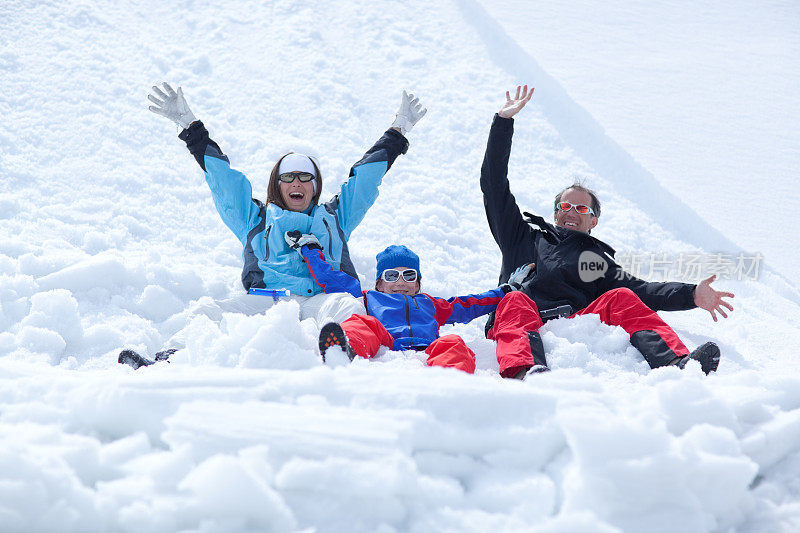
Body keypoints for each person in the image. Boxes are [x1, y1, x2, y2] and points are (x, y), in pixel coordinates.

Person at [120, 85, 427, 369]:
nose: (297, 183)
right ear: (277, 185)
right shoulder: (256, 219)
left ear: (315, 185)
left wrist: (398, 131)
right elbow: (224, 181)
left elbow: (365, 178)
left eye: (306, 177)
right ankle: (165, 362)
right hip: (269, 298)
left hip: (321, 297)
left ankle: (343, 353)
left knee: (349, 307)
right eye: (289, 177)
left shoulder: (334, 218)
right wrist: (190, 128)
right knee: (209, 312)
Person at [479, 85, 735, 379]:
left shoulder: (593, 261)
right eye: (565, 206)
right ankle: (525, 370)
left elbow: (643, 291)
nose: (571, 212)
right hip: (521, 317)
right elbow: (493, 185)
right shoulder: (521, 236)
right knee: (513, 299)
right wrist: (503, 122)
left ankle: (678, 364)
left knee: (623, 296)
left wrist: (691, 295)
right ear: (555, 212)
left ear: (593, 222)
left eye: (581, 209)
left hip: (571, 321)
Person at [285, 236, 548, 375]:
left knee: (454, 342)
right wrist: (310, 251)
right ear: (379, 283)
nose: (400, 281)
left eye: (409, 275)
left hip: (428, 348)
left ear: (418, 283)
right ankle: (344, 353)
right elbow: (331, 278)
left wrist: (507, 289)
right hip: (387, 341)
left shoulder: (430, 304)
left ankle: (450, 380)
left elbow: (470, 304)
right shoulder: (368, 297)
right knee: (362, 323)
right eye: (391, 275)